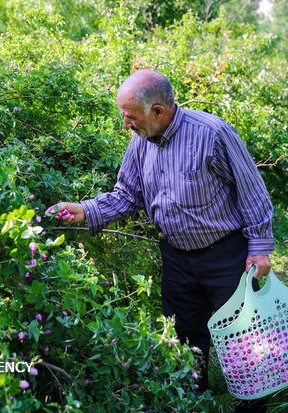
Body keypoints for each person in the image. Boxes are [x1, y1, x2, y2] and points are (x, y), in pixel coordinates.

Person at [47, 70, 274, 412]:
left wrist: (259, 247)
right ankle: (192, 402)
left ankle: (252, 403)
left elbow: (251, 189)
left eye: (130, 117)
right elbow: (127, 195)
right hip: (177, 257)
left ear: (157, 111)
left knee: (240, 334)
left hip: (226, 254)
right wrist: (83, 210)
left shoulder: (212, 133)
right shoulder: (140, 142)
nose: (126, 125)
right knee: (184, 338)